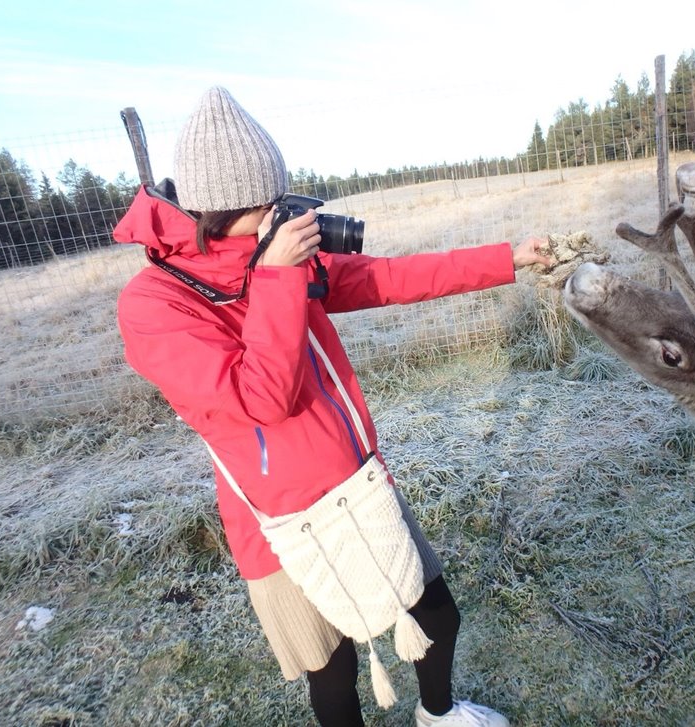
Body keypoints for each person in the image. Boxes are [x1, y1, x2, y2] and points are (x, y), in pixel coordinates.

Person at [114, 86, 552, 727]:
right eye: (273, 204)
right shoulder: (153, 304)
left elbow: (388, 278)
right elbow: (261, 398)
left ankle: (439, 713)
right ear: (226, 208)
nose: (287, 216)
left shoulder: (275, 255)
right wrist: (277, 277)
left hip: (359, 486)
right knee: (334, 671)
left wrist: (509, 258)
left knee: (435, 615)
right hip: (278, 524)